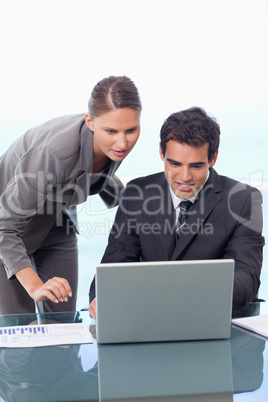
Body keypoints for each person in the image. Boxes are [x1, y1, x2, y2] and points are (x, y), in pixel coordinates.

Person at [89, 106, 265, 318]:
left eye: (196, 166)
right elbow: (113, 267)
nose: (184, 177)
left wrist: (182, 293)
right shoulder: (137, 193)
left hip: (214, 319)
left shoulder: (243, 200)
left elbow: (247, 279)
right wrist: (101, 297)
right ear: (162, 153)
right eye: (174, 163)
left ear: (213, 158)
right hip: (152, 319)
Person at [0, 75, 142, 314]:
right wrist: (35, 287)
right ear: (90, 122)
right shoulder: (53, 154)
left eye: (131, 130)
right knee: (20, 333)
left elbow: (89, 174)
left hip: (54, 221)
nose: (122, 142)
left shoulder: (110, 145)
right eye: (111, 131)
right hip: (7, 232)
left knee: (64, 327)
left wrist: (135, 200)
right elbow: (5, 226)